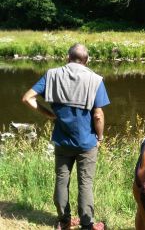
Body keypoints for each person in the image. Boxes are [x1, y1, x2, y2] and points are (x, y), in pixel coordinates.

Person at [22, 43, 110, 230]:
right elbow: (98, 115)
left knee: (62, 179)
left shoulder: (51, 75)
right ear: (86, 61)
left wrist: (49, 114)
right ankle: (87, 224)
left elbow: (27, 98)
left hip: (62, 140)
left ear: (67, 58)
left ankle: (64, 221)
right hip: (87, 142)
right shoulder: (95, 80)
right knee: (85, 183)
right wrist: (100, 137)